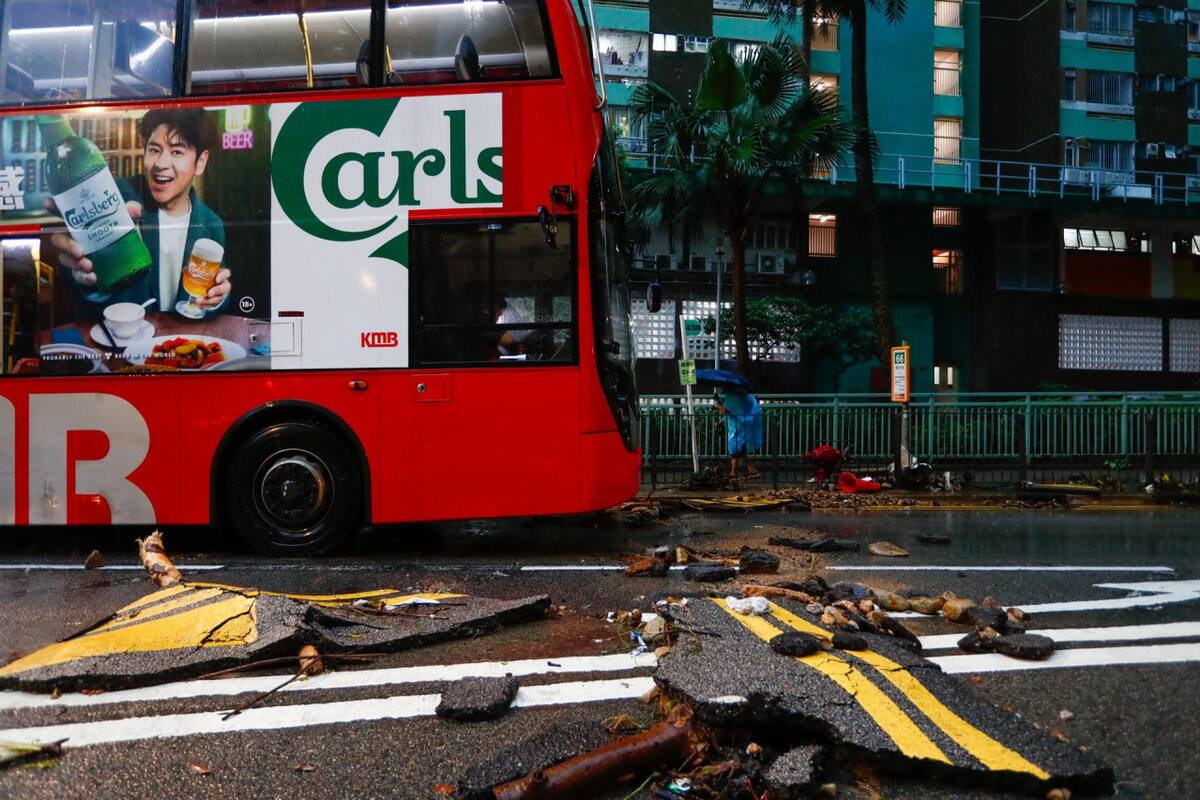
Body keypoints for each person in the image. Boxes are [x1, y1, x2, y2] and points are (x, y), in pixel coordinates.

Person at [51, 108, 230, 321]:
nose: (160, 164)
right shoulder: (115, 196)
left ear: (200, 162)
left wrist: (217, 298)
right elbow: (82, 281)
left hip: (178, 348)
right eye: (154, 150)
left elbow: (214, 291)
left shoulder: (212, 224)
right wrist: (83, 277)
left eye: (176, 152)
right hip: (122, 345)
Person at [715, 386, 763, 480]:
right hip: (740, 427)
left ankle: (733, 473)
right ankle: (753, 471)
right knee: (741, 451)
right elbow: (728, 410)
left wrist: (718, 403)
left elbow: (726, 411)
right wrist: (719, 401)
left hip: (737, 428)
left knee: (734, 450)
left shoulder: (733, 398)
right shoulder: (741, 398)